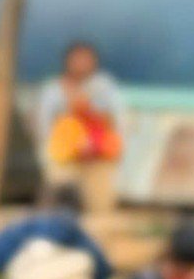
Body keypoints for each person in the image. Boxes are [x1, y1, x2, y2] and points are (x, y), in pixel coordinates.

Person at [36, 40, 126, 212]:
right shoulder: (53, 89)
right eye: (77, 59)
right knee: (59, 206)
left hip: (99, 159)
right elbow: (44, 124)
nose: (81, 64)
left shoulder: (105, 87)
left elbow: (117, 120)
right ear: (67, 62)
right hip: (65, 159)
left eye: (86, 59)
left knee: (100, 209)